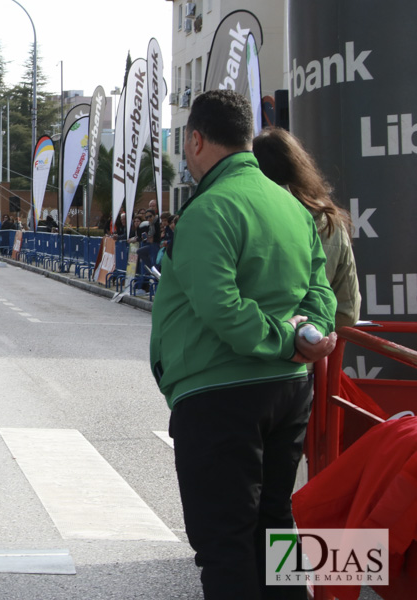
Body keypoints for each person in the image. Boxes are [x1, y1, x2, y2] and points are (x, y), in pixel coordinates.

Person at [149, 90, 337, 600]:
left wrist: (283, 340)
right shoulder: (292, 207)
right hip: (289, 389)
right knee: (276, 525)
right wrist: (308, 338)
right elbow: (321, 291)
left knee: (224, 544)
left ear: (195, 140)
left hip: (219, 392)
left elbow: (221, 308)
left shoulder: (208, 210)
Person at [253, 127, 362, 328]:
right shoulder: (331, 222)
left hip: (253, 347)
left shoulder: (244, 217)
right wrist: (310, 331)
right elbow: (348, 311)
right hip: (309, 351)